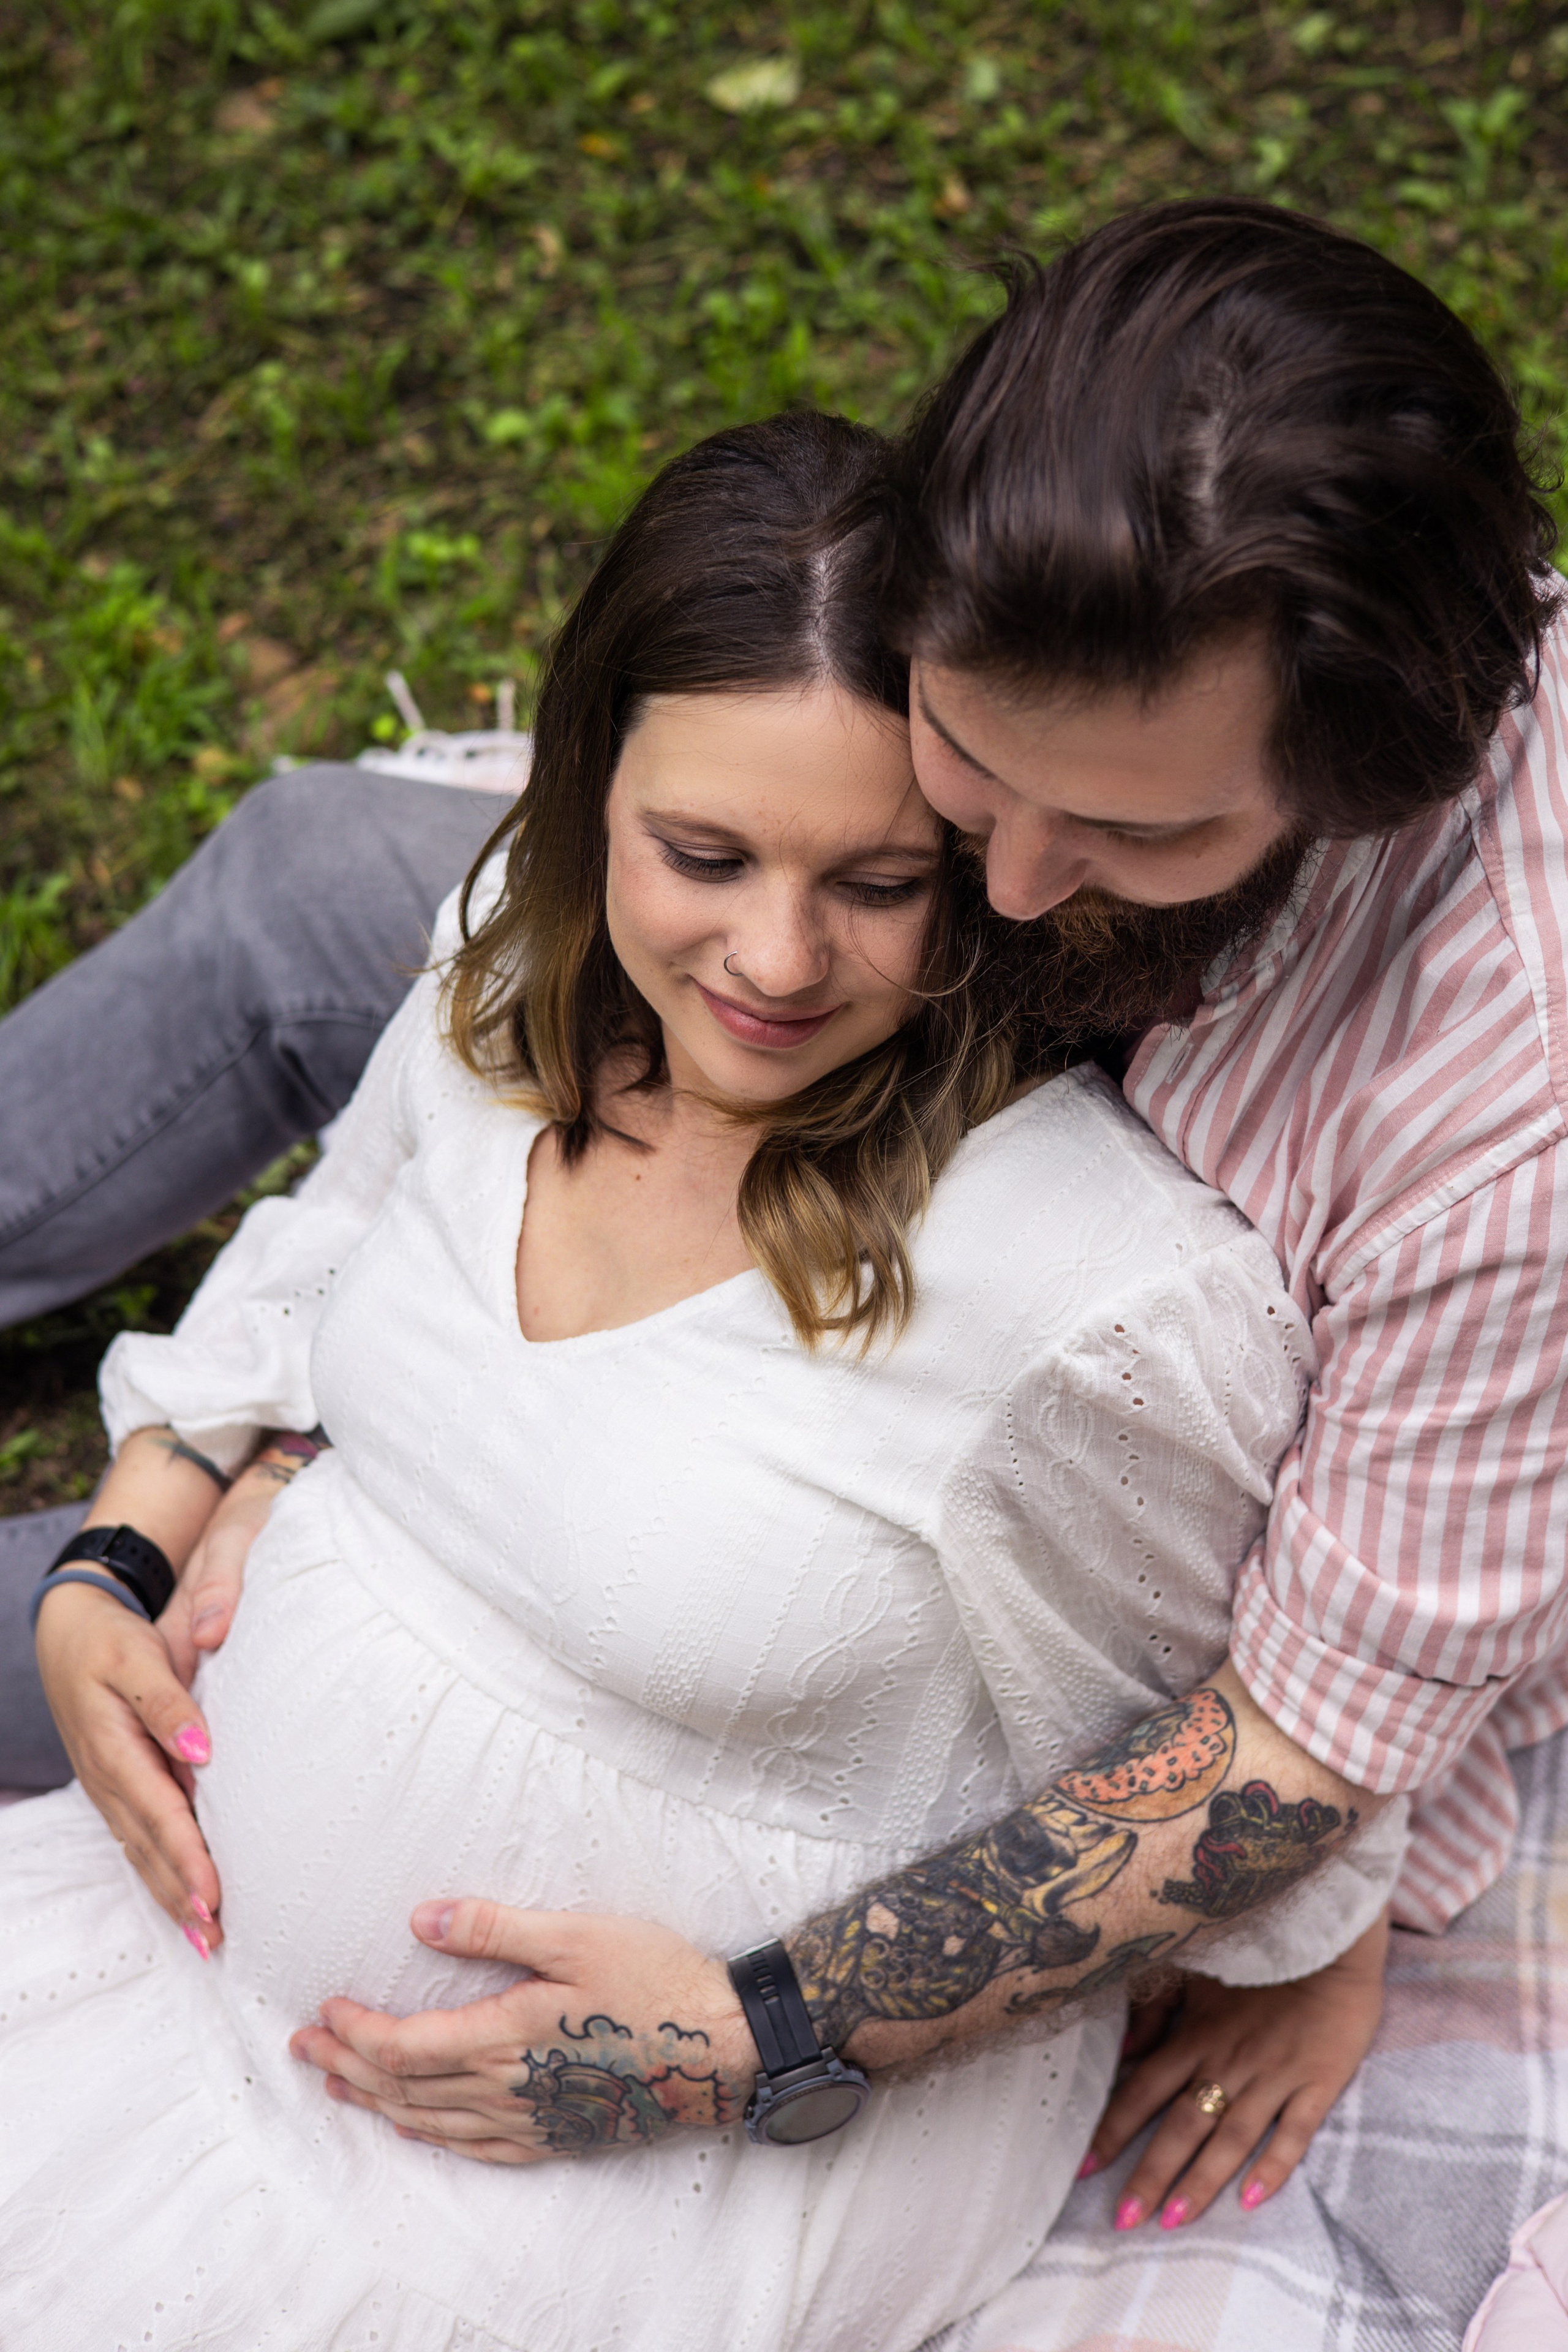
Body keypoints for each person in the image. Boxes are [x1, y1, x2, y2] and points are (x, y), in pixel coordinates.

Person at [4, 194, 1564, 2236]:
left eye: (1134, 833)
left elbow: (1303, 1735)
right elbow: (450, 1131)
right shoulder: (1024, 643)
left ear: (1377, 781)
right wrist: (238, 1461)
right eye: (970, 770)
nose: (1012, 896)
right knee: (324, 885)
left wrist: (768, 2028)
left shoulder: (1501, 1133)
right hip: (766, 1153)